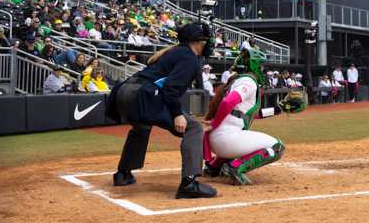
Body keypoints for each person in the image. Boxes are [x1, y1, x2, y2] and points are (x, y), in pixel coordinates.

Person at [108, 22, 217, 199]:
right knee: (194, 128)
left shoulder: (173, 51)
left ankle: (123, 174)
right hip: (141, 96)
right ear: (197, 42)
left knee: (141, 127)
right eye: (205, 41)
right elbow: (171, 90)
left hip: (125, 92)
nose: (207, 44)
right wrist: (177, 115)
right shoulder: (189, 57)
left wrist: (179, 113)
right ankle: (189, 183)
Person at [203, 48, 285, 186]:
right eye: (260, 66)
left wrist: (278, 109)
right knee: (277, 146)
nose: (262, 70)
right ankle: (235, 167)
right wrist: (215, 123)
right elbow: (228, 102)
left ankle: (214, 167)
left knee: (244, 138)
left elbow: (250, 114)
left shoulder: (237, 80)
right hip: (226, 138)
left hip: (219, 139)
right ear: (253, 65)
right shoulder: (249, 81)